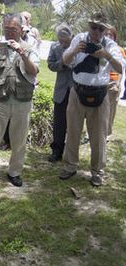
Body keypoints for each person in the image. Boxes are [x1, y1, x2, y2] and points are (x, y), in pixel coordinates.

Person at [0, 13, 39, 187]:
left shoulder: (29, 47)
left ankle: (15, 172)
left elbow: (34, 71)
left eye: (13, 29)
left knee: (19, 140)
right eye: (7, 29)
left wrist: (22, 53)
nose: (10, 32)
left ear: (21, 29)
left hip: (22, 101)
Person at [59, 12, 123, 187]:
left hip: (101, 95)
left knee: (99, 137)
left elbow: (120, 69)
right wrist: (74, 50)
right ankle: (71, 166)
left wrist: (106, 56)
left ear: (105, 30)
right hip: (77, 92)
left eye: (101, 28)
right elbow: (64, 61)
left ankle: (97, 172)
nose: (96, 31)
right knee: (72, 131)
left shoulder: (110, 45)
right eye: (93, 27)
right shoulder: (79, 38)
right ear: (88, 26)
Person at [47, 24, 74, 162]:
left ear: (71, 37)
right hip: (61, 90)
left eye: (65, 40)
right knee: (59, 122)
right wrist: (62, 63)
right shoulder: (54, 47)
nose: (63, 43)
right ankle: (57, 150)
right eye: (60, 40)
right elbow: (50, 65)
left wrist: (73, 63)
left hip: (76, 90)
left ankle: (71, 153)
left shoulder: (78, 46)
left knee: (74, 123)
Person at [105, 26, 126, 137]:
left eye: (111, 35)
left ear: (114, 37)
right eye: (106, 34)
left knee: (110, 109)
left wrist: (117, 84)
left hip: (113, 83)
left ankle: (107, 133)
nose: (108, 37)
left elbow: (121, 69)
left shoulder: (119, 50)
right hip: (99, 83)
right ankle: (92, 132)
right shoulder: (100, 47)